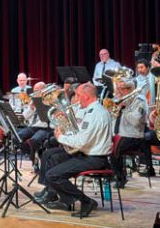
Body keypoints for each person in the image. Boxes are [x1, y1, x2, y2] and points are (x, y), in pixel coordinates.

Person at [45, 83, 112, 218]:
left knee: (53, 175)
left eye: (78, 96)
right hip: (87, 154)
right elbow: (81, 136)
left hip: (95, 159)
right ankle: (66, 200)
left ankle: (87, 202)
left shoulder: (95, 114)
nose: (76, 99)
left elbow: (81, 142)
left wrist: (61, 137)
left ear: (86, 96)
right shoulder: (92, 110)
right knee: (54, 158)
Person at [109, 79, 147, 188]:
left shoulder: (140, 100)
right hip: (120, 135)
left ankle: (120, 177)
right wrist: (111, 111)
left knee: (114, 149)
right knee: (103, 144)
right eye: (118, 89)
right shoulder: (119, 99)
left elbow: (135, 121)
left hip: (134, 136)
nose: (119, 92)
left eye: (121, 89)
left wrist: (124, 108)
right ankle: (110, 173)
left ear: (130, 89)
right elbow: (113, 119)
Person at [17, 82, 52, 166]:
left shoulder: (49, 101)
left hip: (44, 128)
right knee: (17, 137)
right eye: (34, 90)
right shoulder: (32, 100)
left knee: (34, 140)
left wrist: (42, 106)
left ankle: (35, 160)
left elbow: (49, 118)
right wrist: (31, 109)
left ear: (43, 90)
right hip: (32, 126)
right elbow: (25, 116)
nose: (34, 93)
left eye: (37, 90)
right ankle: (32, 154)